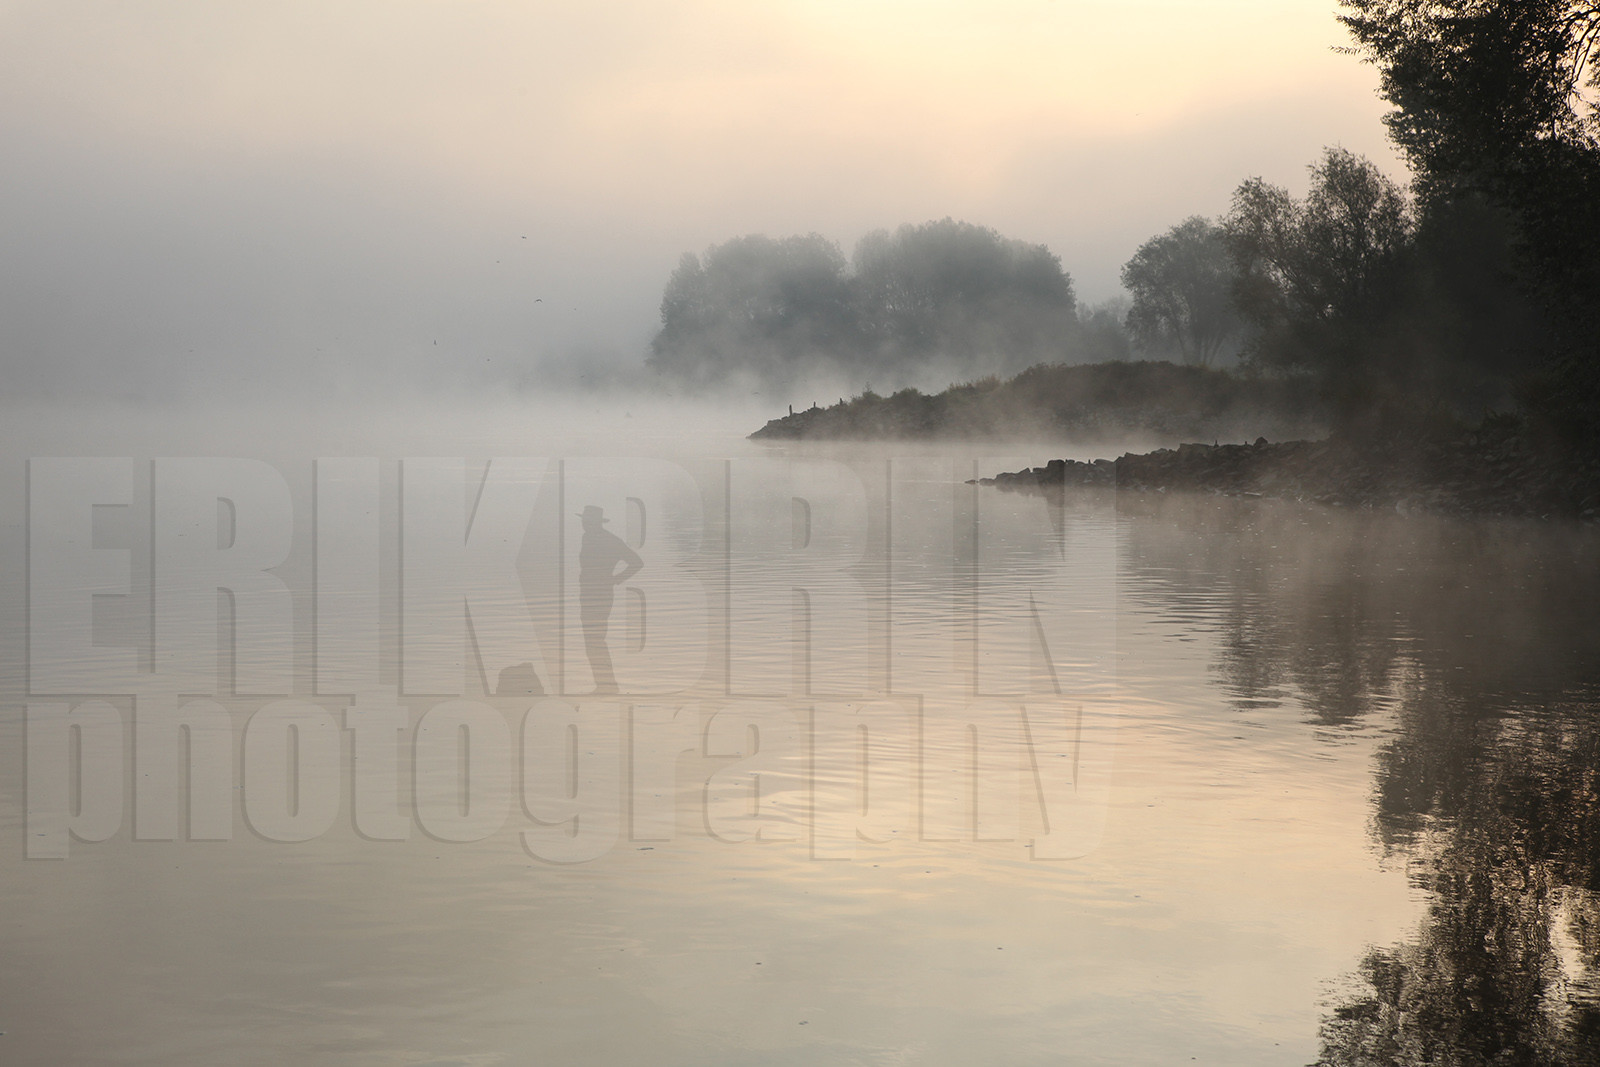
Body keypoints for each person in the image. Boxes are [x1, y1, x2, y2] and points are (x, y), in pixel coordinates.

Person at [576, 505, 642, 693]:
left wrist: (616, 579)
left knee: (595, 639)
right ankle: (604, 684)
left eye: (587, 522)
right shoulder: (587, 538)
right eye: (583, 521)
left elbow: (637, 562)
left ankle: (607, 686)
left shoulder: (611, 541)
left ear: (595, 522)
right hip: (587, 593)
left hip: (600, 594)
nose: (584, 525)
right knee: (592, 640)